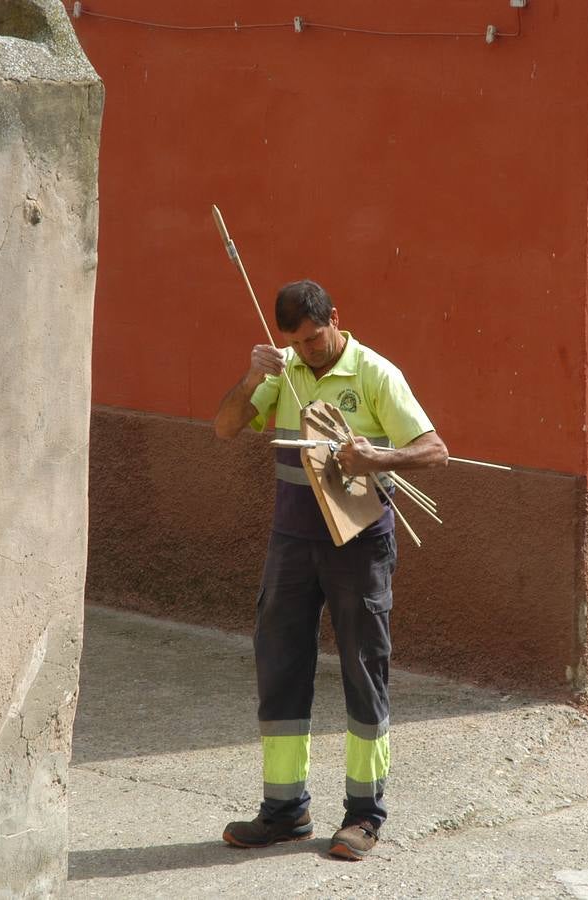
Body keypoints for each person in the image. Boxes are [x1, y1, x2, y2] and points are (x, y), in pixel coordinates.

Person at [214, 279, 448, 861]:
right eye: (296, 342)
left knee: (363, 670)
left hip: (360, 545)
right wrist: (250, 378)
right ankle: (284, 811)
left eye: (315, 339)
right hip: (291, 544)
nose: (309, 351)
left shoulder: (374, 373)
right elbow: (224, 427)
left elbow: (435, 449)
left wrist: (380, 456)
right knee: (280, 667)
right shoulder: (282, 370)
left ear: (335, 320)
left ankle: (365, 815)